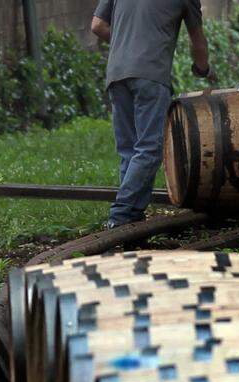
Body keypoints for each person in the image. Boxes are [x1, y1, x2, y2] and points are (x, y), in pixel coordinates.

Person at [91, 0, 214, 228]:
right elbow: (197, 42)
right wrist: (203, 69)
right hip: (150, 73)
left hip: (117, 73)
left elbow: (97, 25)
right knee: (149, 148)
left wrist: (125, 43)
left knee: (129, 149)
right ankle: (121, 214)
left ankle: (132, 217)